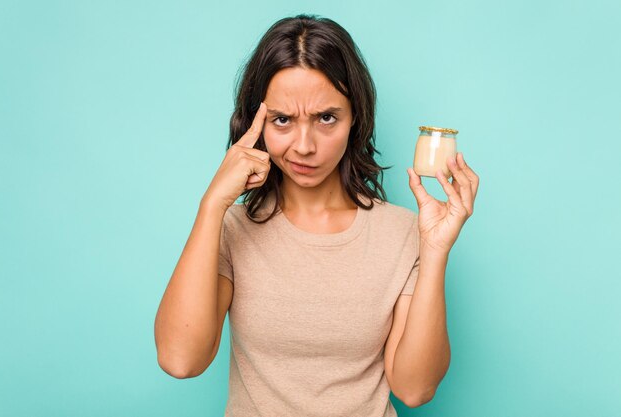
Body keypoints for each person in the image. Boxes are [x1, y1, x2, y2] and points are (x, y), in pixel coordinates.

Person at [154, 14, 479, 417]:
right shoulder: (231, 230)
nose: (304, 146)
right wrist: (211, 206)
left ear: (355, 117)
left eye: (326, 118)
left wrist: (435, 251)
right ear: (256, 124)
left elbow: (414, 390)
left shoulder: (402, 232)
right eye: (283, 120)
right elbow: (180, 360)